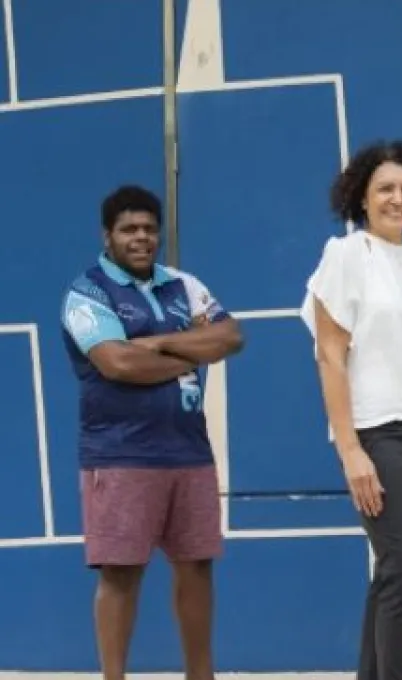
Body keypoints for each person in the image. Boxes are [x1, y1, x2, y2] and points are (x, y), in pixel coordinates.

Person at [60, 185, 245, 680]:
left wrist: (157, 344)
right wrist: (191, 349)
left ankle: (200, 676)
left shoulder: (183, 284)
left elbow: (231, 336)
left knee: (197, 565)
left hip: (189, 454)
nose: (141, 237)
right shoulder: (88, 292)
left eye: (148, 228)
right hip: (120, 455)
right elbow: (117, 363)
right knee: (121, 573)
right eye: (128, 229)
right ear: (108, 236)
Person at [299, 139, 402, 680]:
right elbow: (329, 354)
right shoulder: (345, 257)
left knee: (399, 575)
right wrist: (350, 451)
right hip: (376, 433)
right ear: (362, 198)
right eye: (385, 188)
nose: (398, 198)